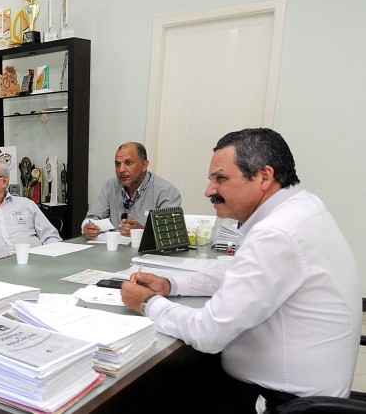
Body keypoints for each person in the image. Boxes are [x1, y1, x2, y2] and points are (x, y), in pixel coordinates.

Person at [121, 128, 361, 413]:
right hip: (308, 390)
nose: (209, 191)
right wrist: (171, 284)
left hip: (284, 404)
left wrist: (147, 303)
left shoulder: (276, 233)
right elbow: (238, 274)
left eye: (220, 178)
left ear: (263, 176)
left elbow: (207, 333)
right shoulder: (302, 208)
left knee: (151, 396)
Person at [82, 142, 181, 238]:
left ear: (144, 165)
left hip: (148, 253)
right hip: (115, 251)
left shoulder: (166, 191)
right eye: (117, 164)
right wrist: (88, 227)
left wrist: (143, 231)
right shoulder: (110, 186)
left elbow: (170, 235)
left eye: (128, 163)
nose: (121, 170)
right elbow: (92, 218)